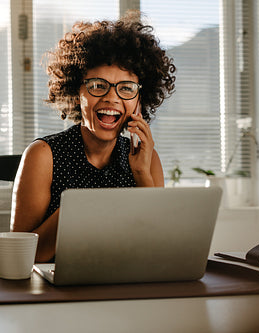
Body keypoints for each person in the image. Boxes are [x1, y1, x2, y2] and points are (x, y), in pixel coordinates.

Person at [10, 13, 176, 263]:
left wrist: (142, 174)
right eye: (98, 86)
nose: (112, 98)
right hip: (55, 294)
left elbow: (158, 251)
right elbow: (20, 258)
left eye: (126, 88)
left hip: (121, 288)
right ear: (78, 92)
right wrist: (78, 208)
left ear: (139, 100)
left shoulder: (147, 161)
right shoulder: (43, 155)